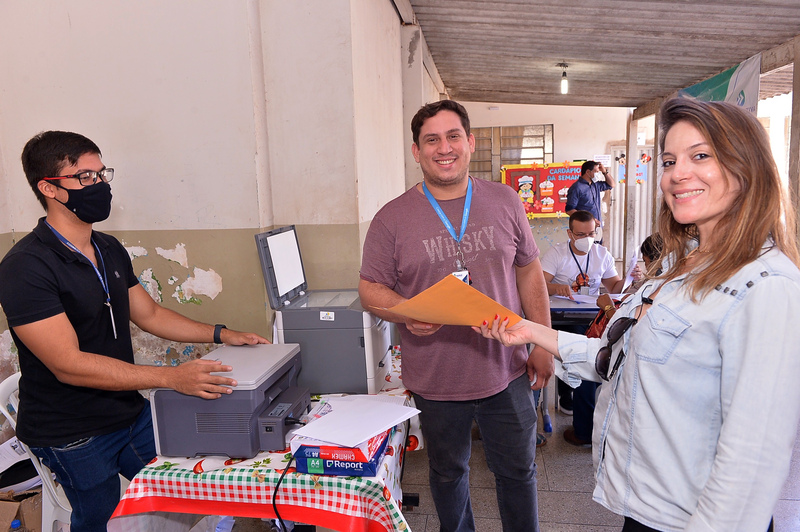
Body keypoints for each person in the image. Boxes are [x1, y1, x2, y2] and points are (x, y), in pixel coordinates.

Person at [475, 98, 800, 531]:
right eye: (669, 161)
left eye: (700, 156)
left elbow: (751, 462)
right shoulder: (678, 266)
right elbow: (614, 360)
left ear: (748, 168)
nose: (677, 174)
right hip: (646, 509)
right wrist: (528, 330)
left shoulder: (766, 285)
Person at [0, 131, 270, 532]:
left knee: (183, 490)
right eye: (85, 177)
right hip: (70, 430)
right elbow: (67, 364)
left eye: (101, 173)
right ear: (49, 188)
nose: (100, 184)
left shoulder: (107, 248)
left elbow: (151, 314)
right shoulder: (26, 267)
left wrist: (221, 334)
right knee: (102, 520)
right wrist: (171, 378)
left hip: (128, 412)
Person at [359, 100, 553, 531]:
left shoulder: (505, 200)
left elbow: (528, 270)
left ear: (470, 142)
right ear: (417, 151)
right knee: (448, 475)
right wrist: (403, 312)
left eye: (452, 137)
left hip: (507, 370)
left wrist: (542, 341)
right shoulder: (391, 218)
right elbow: (369, 288)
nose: (443, 148)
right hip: (436, 377)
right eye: (431, 140)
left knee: (518, 473)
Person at [541, 209, 623, 445]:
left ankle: (581, 417)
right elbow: (539, 283)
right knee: (583, 352)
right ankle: (572, 403)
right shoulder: (557, 253)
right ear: (570, 233)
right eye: (580, 234)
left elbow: (614, 287)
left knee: (595, 354)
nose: (587, 239)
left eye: (591, 233)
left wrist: (629, 279)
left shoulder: (601, 254)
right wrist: (556, 288)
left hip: (593, 317)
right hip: (563, 317)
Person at [565, 160, 615, 242]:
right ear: (588, 172)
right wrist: (590, 219)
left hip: (597, 228)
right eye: (596, 172)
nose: (598, 174)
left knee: (597, 248)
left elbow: (611, 185)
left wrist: (605, 172)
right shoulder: (577, 188)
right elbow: (569, 210)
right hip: (584, 230)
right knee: (586, 248)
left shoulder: (595, 185)